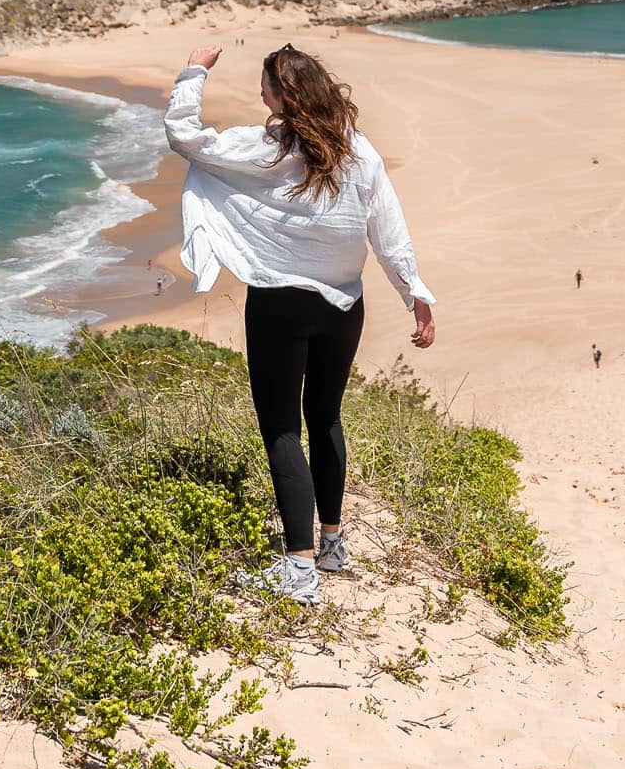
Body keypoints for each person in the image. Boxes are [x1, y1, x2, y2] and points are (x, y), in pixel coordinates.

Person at [164, 42, 436, 606]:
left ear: (282, 95)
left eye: (266, 87)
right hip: (343, 306)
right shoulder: (359, 153)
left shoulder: (265, 148)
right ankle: (332, 543)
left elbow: (184, 137)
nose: (261, 95)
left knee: (282, 428)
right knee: (326, 416)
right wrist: (416, 294)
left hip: (280, 304)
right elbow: (388, 231)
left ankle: (300, 569)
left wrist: (195, 71)